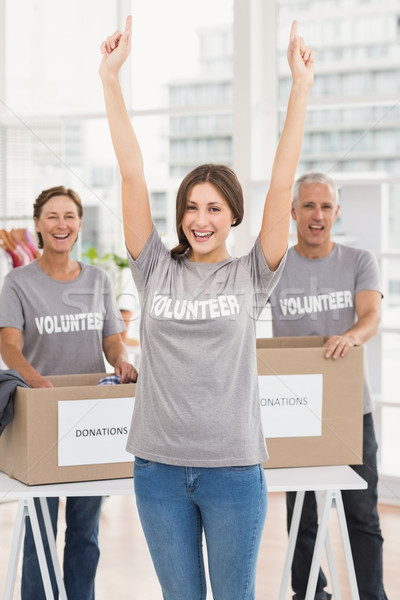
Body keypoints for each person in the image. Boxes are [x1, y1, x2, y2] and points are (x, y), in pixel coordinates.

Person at [99, 15, 314, 600]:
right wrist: (111, 79)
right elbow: (132, 172)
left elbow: (280, 183)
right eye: (192, 207)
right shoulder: (154, 268)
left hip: (234, 473)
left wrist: (299, 89)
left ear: (234, 216)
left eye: (215, 208)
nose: (200, 219)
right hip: (158, 472)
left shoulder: (252, 273)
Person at [0, 185, 137, 600]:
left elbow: (112, 338)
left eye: (70, 216)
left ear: (79, 224)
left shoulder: (97, 279)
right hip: (40, 415)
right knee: (39, 526)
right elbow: (7, 344)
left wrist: (122, 358)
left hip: (89, 417)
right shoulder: (18, 282)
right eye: (53, 216)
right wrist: (37, 381)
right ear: (39, 225)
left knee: (85, 530)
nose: (62, 224)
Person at [268, 172, 387, 600]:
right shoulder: (276, 266)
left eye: (325, 207)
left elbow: (371, 315)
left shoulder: (358, 261)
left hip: (351, 410)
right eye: (308, 206)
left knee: (361, 512)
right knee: (302, 514)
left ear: (336, 212)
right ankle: (309, 592)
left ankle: (372, 594)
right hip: (294, 411)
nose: (317, 215)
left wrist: (350, 336)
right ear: (294, 212)